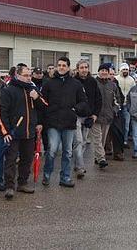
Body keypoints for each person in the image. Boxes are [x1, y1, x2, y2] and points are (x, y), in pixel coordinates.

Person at [0, 65, 47, 199]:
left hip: (29, 131)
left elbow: (44, 106)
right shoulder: (8, 90)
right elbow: (2, 112)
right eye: (25, 75)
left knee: (27, 159)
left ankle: (23, 183)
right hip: (14, 132)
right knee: (11, 159)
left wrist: (36, 98)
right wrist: (6, 132)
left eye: (29, 75)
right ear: (17, 75)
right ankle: (9, 186)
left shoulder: (33, 89)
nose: (28, 78)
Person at [41, 57, 89, 188]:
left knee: (67, 152)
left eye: (64, 65)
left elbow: (84, 101)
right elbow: (42, 101)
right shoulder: (49, 83)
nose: (61, 67)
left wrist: (75, 109)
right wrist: (45, 116)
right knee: (52, 150)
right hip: (53, 123)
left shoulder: (76, 84)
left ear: (68, 67)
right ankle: (46, 175)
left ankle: (65, 177)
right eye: (59, 65)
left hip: (69, 123)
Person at [88, 63, 122, 166]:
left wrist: (114, 110)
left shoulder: (113, 85)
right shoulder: (93, 83)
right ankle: (102, 159)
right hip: (96, 116)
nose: (104, 72)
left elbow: (117, 100)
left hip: (108, 116)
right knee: (97, 138)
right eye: (102, 70)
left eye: (105, 71)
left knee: (103, 139)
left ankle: (97, 157)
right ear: (98, 72)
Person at [73, 60, 102, 178]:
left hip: (89, 116)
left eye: (86, 67)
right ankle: (80, 167)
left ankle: (77, 163)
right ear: (77, 69)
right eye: (81, 67)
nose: (84, 69)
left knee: (84, 141)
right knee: (78, 141)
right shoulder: (73, 82)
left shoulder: (93, 82)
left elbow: (98, 99)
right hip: (76, 116)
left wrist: (95, 115)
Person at [115, 63, 135, 147]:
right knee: (118, 125)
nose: (125, 71)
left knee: (126, 125)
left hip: (127, 105)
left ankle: (125, 141)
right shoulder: (116, 79)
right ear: (120, 70)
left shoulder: (131, 80)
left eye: (126, 69)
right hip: (117, 105)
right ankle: (117, 141)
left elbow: (134, 92)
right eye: (123, 69)